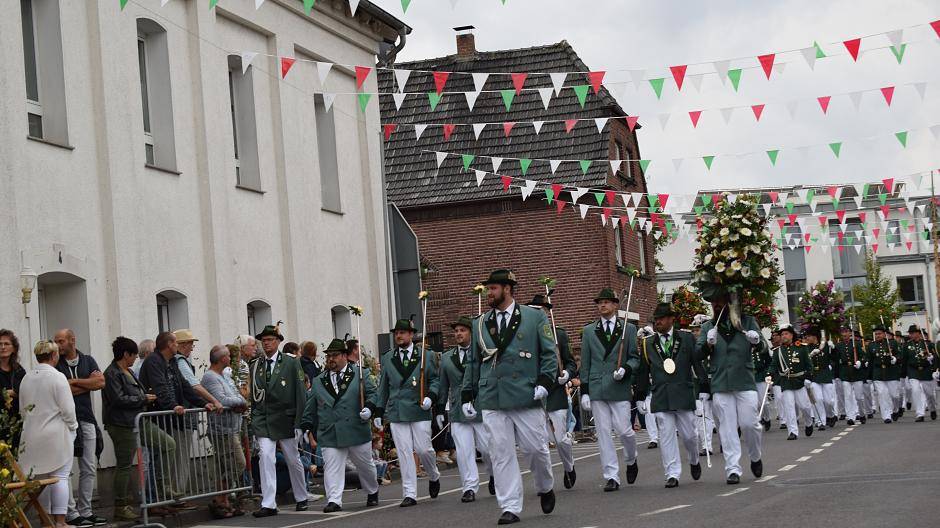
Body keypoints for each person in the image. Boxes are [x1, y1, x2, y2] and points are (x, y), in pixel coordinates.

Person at [461, 269, 558, 525]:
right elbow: (473, 363)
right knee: (500, 453)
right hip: (493, 395)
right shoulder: (480, 323)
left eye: (493, 288)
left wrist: (545, 382)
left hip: (526, 393)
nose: (489, 293)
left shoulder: (534, 316)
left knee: (536, 450)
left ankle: (545, 486)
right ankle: (510, 506)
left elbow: (549, 353)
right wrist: (468, 394)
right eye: (488, 289)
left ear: (507, 289)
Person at [694, 290, 765, 485]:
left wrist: (757, 341)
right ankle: (732, 469)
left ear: (730, 301)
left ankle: (755, 455)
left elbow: (764, 348)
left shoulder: (747, 321)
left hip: (744, 380)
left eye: (720, 300)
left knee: (750, 424)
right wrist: (707, 345)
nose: (716, 304)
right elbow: (697, 354)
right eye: (713, 302)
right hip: (721, 383)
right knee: (727, 428)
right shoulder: (708, 326)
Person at [301, 338, 379, 512]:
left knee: (365, 466)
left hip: (355, 429)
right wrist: (306, 426)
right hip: (330, 431)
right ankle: (334, 499)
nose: (331, 359)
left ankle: (372, 490)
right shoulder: (319, 380)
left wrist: (369, 408)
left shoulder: (360, 374)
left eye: (335, 355)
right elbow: (311, 405)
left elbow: (373, 394)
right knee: (332, 467)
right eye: (328, 356)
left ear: (344, 356)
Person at [634, 303, 706, 488]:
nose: (657, 322)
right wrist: (640, 396)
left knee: (690, 436)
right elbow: (643, 371)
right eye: (656, 319)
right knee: (666, 436)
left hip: (683, 393)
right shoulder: (647, 343)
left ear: (671, 319)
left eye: (661, 318)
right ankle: (672, 473)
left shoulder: (686, 338)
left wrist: (704, 388)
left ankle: (694, 459)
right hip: (661, 394)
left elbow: (697, 364)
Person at [138, 331, 213, 505]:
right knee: (156, 458)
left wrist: (203, 403)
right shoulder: (154, 361)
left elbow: (184, 386)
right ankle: (154, 500)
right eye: (175, 343)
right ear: (169, 345)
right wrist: (172, 406)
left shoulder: (171, 362)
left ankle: (160, 500)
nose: (177, 346)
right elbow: (160, 388)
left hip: (168, 417)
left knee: (162, 458)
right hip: (157, 416)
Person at [375, 318, 442, 507]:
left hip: (419, 408)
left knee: (423, 449)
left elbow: (435, 380)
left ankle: (434, 474)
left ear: (411, 334)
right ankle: (409, 493)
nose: (399, 336)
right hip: (397, 410)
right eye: (396, 333)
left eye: (402, 332)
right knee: (404, 452)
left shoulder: (425, 356)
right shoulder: (388, 357)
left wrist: (431, 396)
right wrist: (379, 411)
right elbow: (383, 387)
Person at [578, 288, 639, 493]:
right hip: (597, 387)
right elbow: (585, 362)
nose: (602, 305)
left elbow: (635, 357)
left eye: (606, 302)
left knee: (625, 431)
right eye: (600, 302)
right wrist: (585, 391)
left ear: (615, 305)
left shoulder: (628, 329)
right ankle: (611, 475)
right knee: (603, 434)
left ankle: (631, 459)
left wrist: (626, 368)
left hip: (619, 386)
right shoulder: (589, 331)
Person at [249, 325, 309, 518]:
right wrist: (254, 418)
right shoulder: (256, 364)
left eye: (270, 340)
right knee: (266, 457)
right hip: (264, 419)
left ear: (278, 342)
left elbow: (300, 393)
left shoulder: (291, 363)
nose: (266, 343)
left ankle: (301, 496)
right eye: (263, 340)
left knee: (292, 458)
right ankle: (268, 503)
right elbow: (254, 395)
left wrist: (300, 423)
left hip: (286, 418)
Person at [18, 340, 79, 528]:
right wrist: (73, 427)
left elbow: (22, 410)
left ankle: (45, 521)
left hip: (31, 434)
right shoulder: (58, 377)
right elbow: (68, 410)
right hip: (55, 433)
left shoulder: (26, 378)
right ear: (54, 355)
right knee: (60, 477)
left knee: (40, 479)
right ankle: (60, 521)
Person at [102, 337, 163, 521]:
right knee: (125, 465)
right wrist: (143, 398)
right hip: (121, 424)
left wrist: (144, 397)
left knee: (167, 444)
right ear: (125, 354)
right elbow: (118, 399)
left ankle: (162, 490)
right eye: (134, 355)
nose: (136, 358)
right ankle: (120, 506)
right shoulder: (112, 373)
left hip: (134, 421)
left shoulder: (127, 371)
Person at [53, 328, 106, 527]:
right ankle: (71, 512)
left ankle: (86, 510)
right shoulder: (55, 363)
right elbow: (60, 389)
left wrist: (74, 381)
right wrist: (86, 384)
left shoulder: (87, 360)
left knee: (88, 467)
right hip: (64, 421)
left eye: (61, 341)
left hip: (86, 418)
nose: (57, 345)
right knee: (66, 468)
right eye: (56, 341)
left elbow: (100, 382)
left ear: (72, 340)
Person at [438, 316, 493, 502]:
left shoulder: (482, 353)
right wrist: (440, 409)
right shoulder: (446, 358)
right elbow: (443, 385)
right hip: (457, 410)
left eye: (462, 330)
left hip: (480, 406)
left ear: (471, 332)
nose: (458, 334)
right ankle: (469, 487)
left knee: (486, 448)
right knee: (463, 451)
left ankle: (493, 474)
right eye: (456, 331)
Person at [526, 295, 577, 490]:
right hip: (533, 393)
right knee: (539, 442)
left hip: (555, 391)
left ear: (547, 313)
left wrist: (567, 374)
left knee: (561, 439)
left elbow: (570, 362)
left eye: (541, 310)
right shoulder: (524, 336)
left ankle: (569, 466)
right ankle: (545, 482)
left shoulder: (559, 335)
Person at [201, 345, 249, 518]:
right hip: (222, 430)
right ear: (222, 359)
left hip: (232, 428)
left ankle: (224, 501)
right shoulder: (210, 377)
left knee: (226, 466)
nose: (231, 358)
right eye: (228, 355)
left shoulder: (225, 375)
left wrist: (238, 401)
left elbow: (238, 395)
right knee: (239, 463)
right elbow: (222, 400)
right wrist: (239, 402)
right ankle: (220, 499)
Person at [769, 326, 815, 440]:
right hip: (786, 382)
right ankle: (793, 431)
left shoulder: (801, 348)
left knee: (805, 406)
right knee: (789, 406)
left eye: (786, 334)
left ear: (791, 335)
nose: (783, 336)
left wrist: (808, 378)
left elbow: (809, 365)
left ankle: (809, 422)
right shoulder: (778, 351)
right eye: (782, 334)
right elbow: (773, 365)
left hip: (799, 381)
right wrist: (769, 374)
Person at [803, 328, 837, 430]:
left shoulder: (825, 346)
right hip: (814, 376)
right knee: (818, 399)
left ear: (814, 337)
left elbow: (835, 358)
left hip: (825, 374)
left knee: (829, 401)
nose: (807, 338)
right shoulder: (806, 348)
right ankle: (821, 422)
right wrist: (810, 355)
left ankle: (831, 415)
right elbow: (803, 362)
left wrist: (833, 348)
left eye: (808, 336)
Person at [868, 325, 902, 423]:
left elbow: (900, 355)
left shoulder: (892, 343)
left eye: (879, 334)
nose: (877, 336)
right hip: (878, 373)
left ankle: (895, 410)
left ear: (884, 334)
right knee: (882, 394)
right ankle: (886, 416)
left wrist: (895, 359)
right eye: (876, 334)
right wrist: (869, 376)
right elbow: (870, 361)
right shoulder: (871, 345)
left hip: (891, 372)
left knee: (894, 395)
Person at [902, 325, 937, 422]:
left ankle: (932, 408)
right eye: (910, 333)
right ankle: (920, 414)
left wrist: (932, 359)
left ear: (918, 333)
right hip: (913, 371)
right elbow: (905, 360)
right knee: (916, 390)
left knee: (930, 394)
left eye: (913, 333)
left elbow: (936, 356)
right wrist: (903, 374)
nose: (911, 335)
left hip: (926, 371)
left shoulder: (928, 344)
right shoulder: (907, 345)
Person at [0, 329, 27, 452]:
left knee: (14, 458)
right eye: (0, 344)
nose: (2, 347)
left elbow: (25, 390)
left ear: (14, 349)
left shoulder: (18, 370)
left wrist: (9, 392)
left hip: (15, 423)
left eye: (6, 344)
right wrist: (9, 393)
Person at [836, 326, 867, 425]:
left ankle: (862, 413)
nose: (844, 334)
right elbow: (835, 358)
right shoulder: (839, 345)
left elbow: (864, 356)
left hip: (856, 372)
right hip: (845, 372)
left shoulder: (856, 344)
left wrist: (860, 362)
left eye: (846, 332)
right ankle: (850, 417)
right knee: (847, 396)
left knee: (859, 397)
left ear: (850, 333)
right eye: (843, 332)